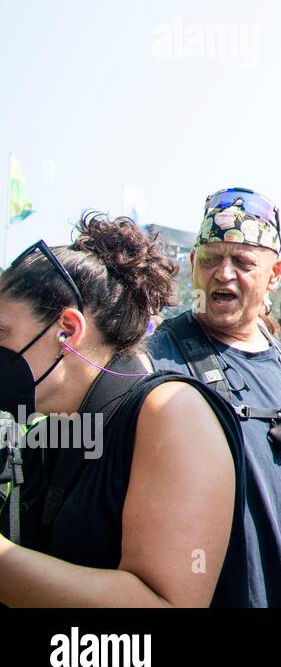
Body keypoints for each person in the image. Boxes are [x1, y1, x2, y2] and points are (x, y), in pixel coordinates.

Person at [0, 214, 247, 606]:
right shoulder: (51, 433)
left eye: (2, 334)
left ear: (67, 330)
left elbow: (168, 604)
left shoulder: (172, 412)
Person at [148, 187, 281, 607]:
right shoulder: (155, 361)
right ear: (192, 263)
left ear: (275, 273)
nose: (223, 274)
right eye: (210, 258)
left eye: (241, 261)